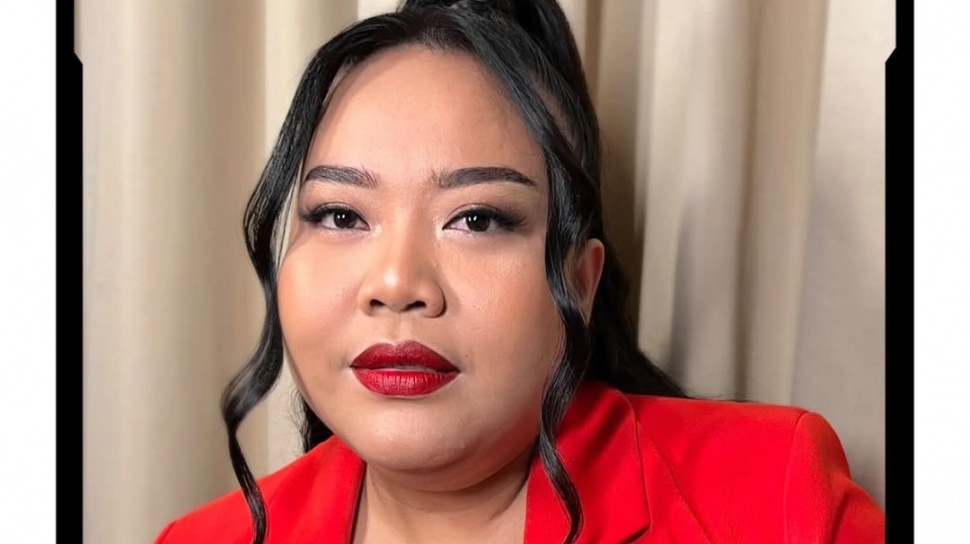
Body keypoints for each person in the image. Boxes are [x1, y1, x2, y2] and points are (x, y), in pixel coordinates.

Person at [154, 0, 886, 542]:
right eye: (341, 215)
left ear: (581, 282)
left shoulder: (777, 498)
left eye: (477, 219)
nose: (397, 283)